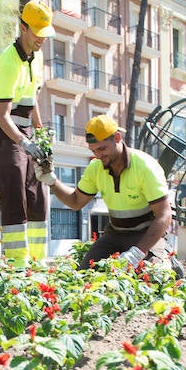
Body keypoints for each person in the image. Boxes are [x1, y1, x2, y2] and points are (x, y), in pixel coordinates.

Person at [35, 115, 175, 271]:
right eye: (93, 150)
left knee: (152, 275)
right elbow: (75, 201)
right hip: (115, 234)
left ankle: (168, 261)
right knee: (85, 274)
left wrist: (137, 253)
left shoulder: (145, 166)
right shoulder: (96, 167)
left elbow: (164, 215)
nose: (98, 155)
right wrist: (51, 181)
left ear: (117, 137)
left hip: (146, 235)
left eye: (102, 149)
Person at [0, 0, 54, 267]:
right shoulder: (8, 62)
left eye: (44, 34)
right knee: (15, 191)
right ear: (23, 27)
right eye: (37, 33)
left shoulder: (36, 58)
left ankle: (38, 261)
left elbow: (33, 100)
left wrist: (40, 136)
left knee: (38, 193)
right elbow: (3, 117)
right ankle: (17, 264)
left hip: (27, 129)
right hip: (7, 134)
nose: (41, 39)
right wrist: (24, 143)